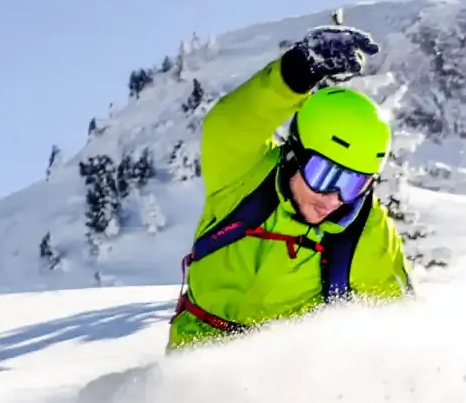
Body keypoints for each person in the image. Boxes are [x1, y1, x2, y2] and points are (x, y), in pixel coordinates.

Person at [166, 25, 414, 352]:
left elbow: (399, 322)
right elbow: (233, 123)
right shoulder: (245, 173)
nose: (334, 198)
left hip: (285, 376)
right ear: (294, 154)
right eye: (325, 175)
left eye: (354, 184)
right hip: (191, 358)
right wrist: (297, 71)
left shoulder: (365, 233)